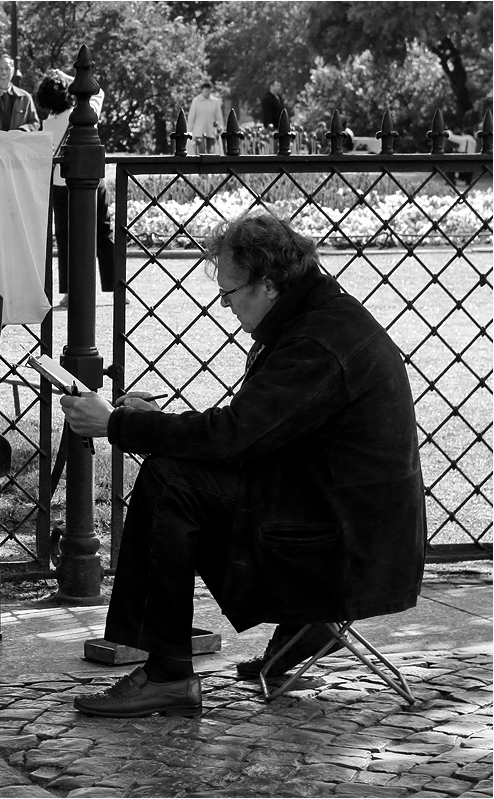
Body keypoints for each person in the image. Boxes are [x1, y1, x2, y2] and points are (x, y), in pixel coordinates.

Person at [59, 211, 426, 718]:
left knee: (172, 483)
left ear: (269, 285)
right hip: (344, 525)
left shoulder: (317, 341)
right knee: (182, 472)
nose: (227, 307)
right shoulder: (317, 314)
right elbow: (258, 432)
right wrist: (147, 424)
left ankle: (167, 672)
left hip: (347, 555)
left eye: (229, 294)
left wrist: (118, 426)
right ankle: (303, 625)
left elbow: (233, 437)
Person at [34, 68, 114, 309]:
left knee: (66, 238)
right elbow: (98, 90)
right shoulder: (84, 112)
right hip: (91, 182)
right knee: (103, 233)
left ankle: (69, 292)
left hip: (61, 185)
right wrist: (70, 78)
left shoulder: (47, 123)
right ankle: (114, 286)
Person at [187, 81, 224, 154]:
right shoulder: (196, 100)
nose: (207, 93)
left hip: (211, 130)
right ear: (202, 91)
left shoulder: (215, 101)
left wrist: (220, 128)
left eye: (209, 91)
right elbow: (191, 116)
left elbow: (219, 117)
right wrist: (189, 130)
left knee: (211, 151)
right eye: (206, 91)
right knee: (201, 151)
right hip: (199, 130)